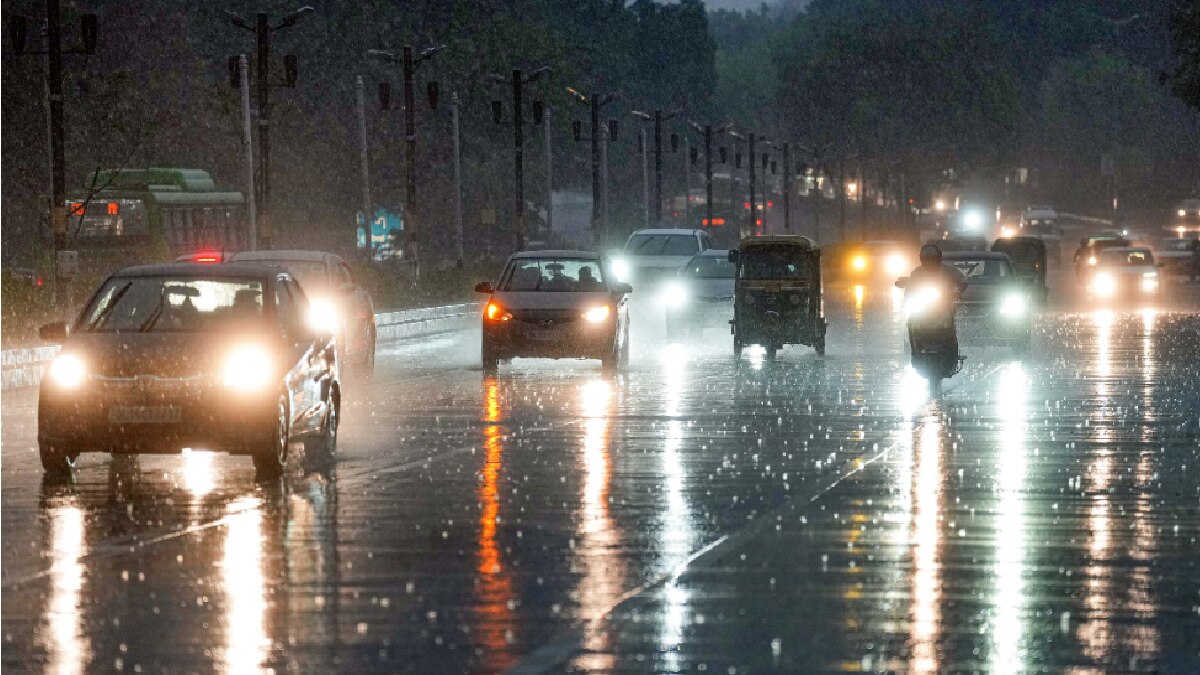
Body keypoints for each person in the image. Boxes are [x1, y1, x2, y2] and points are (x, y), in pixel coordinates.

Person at [906, 243, 968, 360]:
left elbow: (962, 281)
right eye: (927, 260)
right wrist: (908, 300)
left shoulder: (948, 270)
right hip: (922, 307)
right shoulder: (917, 273)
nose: (930, 263)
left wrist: (956, 292)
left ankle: (953, 354)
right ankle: (914, 351)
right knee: (911, 322)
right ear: (922, 260)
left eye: (932, 260)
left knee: (949, 321)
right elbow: (909, 289)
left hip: (943, 305)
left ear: (938, 259)